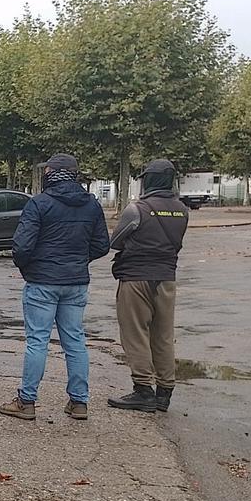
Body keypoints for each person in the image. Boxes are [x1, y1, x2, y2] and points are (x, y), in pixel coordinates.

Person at [0, 154, 110, 421]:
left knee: (38, 341)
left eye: (47, 170)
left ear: (54, 173)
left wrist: (29, 268)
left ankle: (27, 401)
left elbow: (22, 247)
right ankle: (79, 402)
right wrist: (78, 260)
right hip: (75, 282)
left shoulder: (39, 204)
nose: (44, 173)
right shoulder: (91, 205)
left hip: (42, 281)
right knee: (75, 340)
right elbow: (102, 245)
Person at [107, 159, 189, 413]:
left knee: (135, 334)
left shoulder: (137, 209)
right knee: (163, 336)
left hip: (136, 277)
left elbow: (116, 242)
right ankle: (165, 392)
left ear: (149, 180)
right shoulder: (183, 210)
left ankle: (143, 389)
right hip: (166, 278)